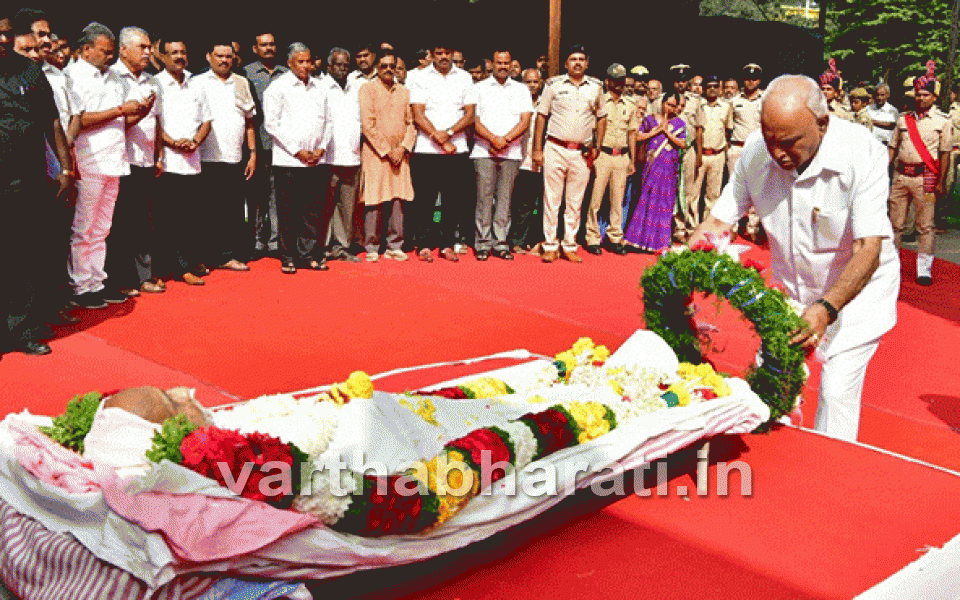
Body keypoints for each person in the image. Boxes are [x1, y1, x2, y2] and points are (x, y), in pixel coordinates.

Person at [690, 74, 900, 442]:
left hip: (855, 296)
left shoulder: (862, 152)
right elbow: (719, 221)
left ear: (822, 124)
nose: (778, 153)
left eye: (788, 143)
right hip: (791, 293)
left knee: (835, 393)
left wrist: (824, 310)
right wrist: (683, 272)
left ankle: (829, 480)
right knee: (769, 387)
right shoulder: (757, 152)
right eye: (771, 140)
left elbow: (869, 247)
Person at [0, 11, 74, 355]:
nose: (3, 39)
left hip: (27, 180)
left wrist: (64, 167)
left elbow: (52, 121)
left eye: (7, 33)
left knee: (25, 257)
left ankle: (23, 331)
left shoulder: (28, 70)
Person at [65, 23, 136, 308]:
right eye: (104, 52)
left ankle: (97, 280)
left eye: (111, 52)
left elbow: (120, 120)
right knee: (83, 227)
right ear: (85, 49)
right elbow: (77, 120)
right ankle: (80, 285)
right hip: (88, 159)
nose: (110, 57)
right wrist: (120, 110)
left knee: (102, 227)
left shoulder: (115, 78)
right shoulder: (73, 76)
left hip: (114, 159)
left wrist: (136, 112)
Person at [104, 27, 164, 298]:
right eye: (141, 47)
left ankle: (144, 276)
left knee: (144, 222)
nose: (147, 52)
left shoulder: (153, 81)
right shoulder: (113, 78)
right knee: (119, 225)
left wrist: (159, 155)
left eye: (149, 47)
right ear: (123, 49)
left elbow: (158, 121)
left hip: (146, 160)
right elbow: (113, 123)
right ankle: (120, 278)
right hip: (119, 160)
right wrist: (139, 114)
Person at [532, 44, 605, 263]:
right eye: (573, 59)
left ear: (587, 63)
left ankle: (569, 244)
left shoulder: (595, 87)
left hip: (581, 152)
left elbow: (601, 117)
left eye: (581, 59)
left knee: (575, 201)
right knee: (551, 199)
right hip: (555, 147)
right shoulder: (553, 85)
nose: (577, 63)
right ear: (566, 64)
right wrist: (537, 149)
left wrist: (598, 146)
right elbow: (541, 116)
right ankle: (550, 244)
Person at [264, 42, 333, 274]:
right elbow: (271, 124)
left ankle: (307, 254)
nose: (305, 66)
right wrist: (297, 151)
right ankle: (288, 255)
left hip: (316, 160)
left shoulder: (320, 87)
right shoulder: (278, 87)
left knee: (312, 210)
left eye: (308, 61)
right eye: (300, 61)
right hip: (289, 160)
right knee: (288, 210)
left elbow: (329, 121)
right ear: (289, 63)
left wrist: (321, 148)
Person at [409, 42, 476, 262]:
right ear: (431, 55)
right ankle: (424, 244)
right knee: (425, 200)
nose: (443, 57)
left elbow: (469, 114)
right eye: (439, 53)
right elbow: (418, 114)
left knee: (452, 200)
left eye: (447, 53)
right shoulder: (419, 77)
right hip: (426, 148)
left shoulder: (464, 77)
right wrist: (437, 138)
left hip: (456, 149)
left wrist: (447, 134)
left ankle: (447, 243)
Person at [154, 36, 213, 285]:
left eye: (183, 51)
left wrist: (196, 142)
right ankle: (172, 268)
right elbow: (153, 122)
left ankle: (185, 262)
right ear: (163, 57)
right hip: (166, 162)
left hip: (192, 160)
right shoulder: (156, 84)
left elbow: (206, 120)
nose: (179, 56)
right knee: (166, 219)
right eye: (173, 52)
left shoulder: (196, 83)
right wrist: (171, 142)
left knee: (189, 218)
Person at [195, 39, 257, 273]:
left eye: (228, 56)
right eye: (219, 56)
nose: (224, 60)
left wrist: (252, 154)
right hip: (203, 157)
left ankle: (226, 255)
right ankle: (202, 256)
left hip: (234, 157)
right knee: (204, 211)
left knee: (231, 210)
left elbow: (250, 121)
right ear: (209, 56)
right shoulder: (197, 82)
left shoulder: (241, 82)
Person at [888, 61, 952, 286]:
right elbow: (892, 148)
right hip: (900, 177)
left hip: (926, 177)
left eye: (925, 94)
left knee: (925, 225)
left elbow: (945, 153)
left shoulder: (943, 122)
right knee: (895, 223)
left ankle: (924, 269)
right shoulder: (903, 120)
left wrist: (941, 181)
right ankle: (892, 265)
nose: (920, 98)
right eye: (918, 94)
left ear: (934, 97)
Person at [471, 50, 533, 261]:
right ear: (492, 64)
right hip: (483, 150)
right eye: (499, 62)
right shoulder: (478, 88)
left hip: (511, 152)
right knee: (484, 199)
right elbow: (474, 119)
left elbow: (525, 121)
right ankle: (482, 242)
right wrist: (492, 140)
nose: (503, 66)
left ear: (512, 64)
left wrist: (504, 140)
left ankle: (500, 242)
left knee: (505, 200)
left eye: (507, 63)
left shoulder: (521, 89)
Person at [358, 52, 416, 262]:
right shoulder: (367, 90)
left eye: (393, 66)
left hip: (400, 154)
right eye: (384, 66)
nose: (389, 70)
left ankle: (395, 244)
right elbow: (368, 124)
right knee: (374, 198)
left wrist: (403, 147)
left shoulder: (405, 92)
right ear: (376, 68)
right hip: (376, 153)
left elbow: (412, 123)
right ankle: (372, 245)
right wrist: (386, 150)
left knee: (398, 198)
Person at [584, 63, 636, 255]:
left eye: (621, 80)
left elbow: (632, 133)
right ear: (607, 81)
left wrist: (631, 158)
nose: (618, 84)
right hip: (602, 155)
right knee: (595, 200)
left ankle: (614, 237)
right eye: (615, 80)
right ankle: (592, 238)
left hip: (621, 155)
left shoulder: (630, 104)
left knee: (617, 201)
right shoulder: (599, 101)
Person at [623, 91, 685, 252]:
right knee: (646, 199)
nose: (669, 108)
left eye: (673, 105)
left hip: (668, 168)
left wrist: (667, 133)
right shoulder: (650, 119)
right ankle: (637, 239)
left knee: (664, 203)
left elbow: (683, 144)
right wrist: (657, 131)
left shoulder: (679, 124)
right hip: (652, 165)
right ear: (662, 102)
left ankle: (659, 242)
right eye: (667, 104)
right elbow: (637, 137)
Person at [244, 30, 287, 259]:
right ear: (255, 48)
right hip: (256, 146)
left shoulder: (286, 74)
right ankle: (255, 241)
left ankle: (275, 242)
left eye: (272, 44)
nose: (268, 48)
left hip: (282, 147)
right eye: (263, 45)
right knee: (255, 197)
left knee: (277, 196)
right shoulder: (246, 74)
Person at [321, 47, 363, 263]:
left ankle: (342, 247)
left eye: (346, 65)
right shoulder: (321, 87)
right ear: (329, 66)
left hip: (352, 156)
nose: (343, 69)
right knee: (326, 205)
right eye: (338, 64)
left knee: (347, 207)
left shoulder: (356, 88)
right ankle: (323, 246)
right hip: (328, 158)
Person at [727, 63, 765, 242]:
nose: (751, 82)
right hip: (737, 147)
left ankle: (753, 227)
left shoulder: (765, 100)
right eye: (748, 78)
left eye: (755, 78)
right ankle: (732, 225)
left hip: (757, 149)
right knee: (734, 188)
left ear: (759, 80)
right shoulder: (734, 101)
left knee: (756, 189)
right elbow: (727, 127)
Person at [509, 67, 544, 254]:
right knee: (521, 204)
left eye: (535, 82)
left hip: (541, 161)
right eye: (528, 82)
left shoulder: (546, 104)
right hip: (519, 159)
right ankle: (517, 240)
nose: (532, 85)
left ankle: (535, 240)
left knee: (540, 204)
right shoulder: (515, 101)